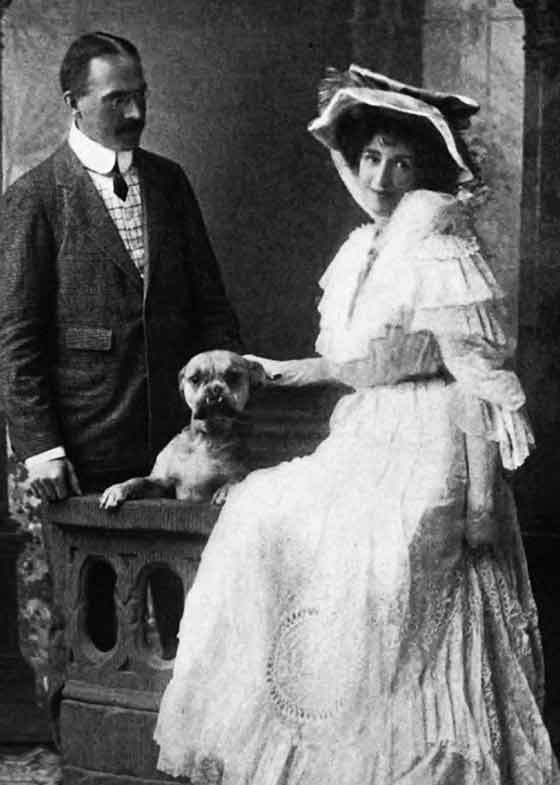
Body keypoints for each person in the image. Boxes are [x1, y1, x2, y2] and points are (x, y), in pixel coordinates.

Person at [153, 66, 559, 785]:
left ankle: (398, 754)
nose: (381, 177)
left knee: (379, 563)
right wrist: (273, 369)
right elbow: (361, 366)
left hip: (436, 438)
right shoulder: (363, 248)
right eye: (371, 157)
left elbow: (472, 380)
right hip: (368, 432)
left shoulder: (438, 241)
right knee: (264, 516)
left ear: (424, 170)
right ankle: (320, 745)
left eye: (401, 162)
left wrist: (477, 504)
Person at [0, 31, 242, 500]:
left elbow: (212, 307)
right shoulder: (35, 197)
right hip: (85, 451)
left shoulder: (169, 181)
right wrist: (42, 449)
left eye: (140, 96)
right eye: (117, 100)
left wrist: (226, 405)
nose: (136, 113)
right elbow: (13, 340)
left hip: (186, 449)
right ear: (74, 103)